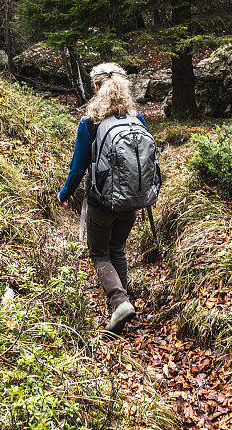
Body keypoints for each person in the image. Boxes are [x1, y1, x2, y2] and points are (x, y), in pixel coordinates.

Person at [57, 62, 148, 334]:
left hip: (102, 201)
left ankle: (119, 301)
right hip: (132, 199)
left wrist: (65, 194)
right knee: (117, 249)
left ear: (97, 88)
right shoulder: (137, 118)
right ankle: (122, 308)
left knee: (98, 252)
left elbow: (78, 166)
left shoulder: (89, 123)